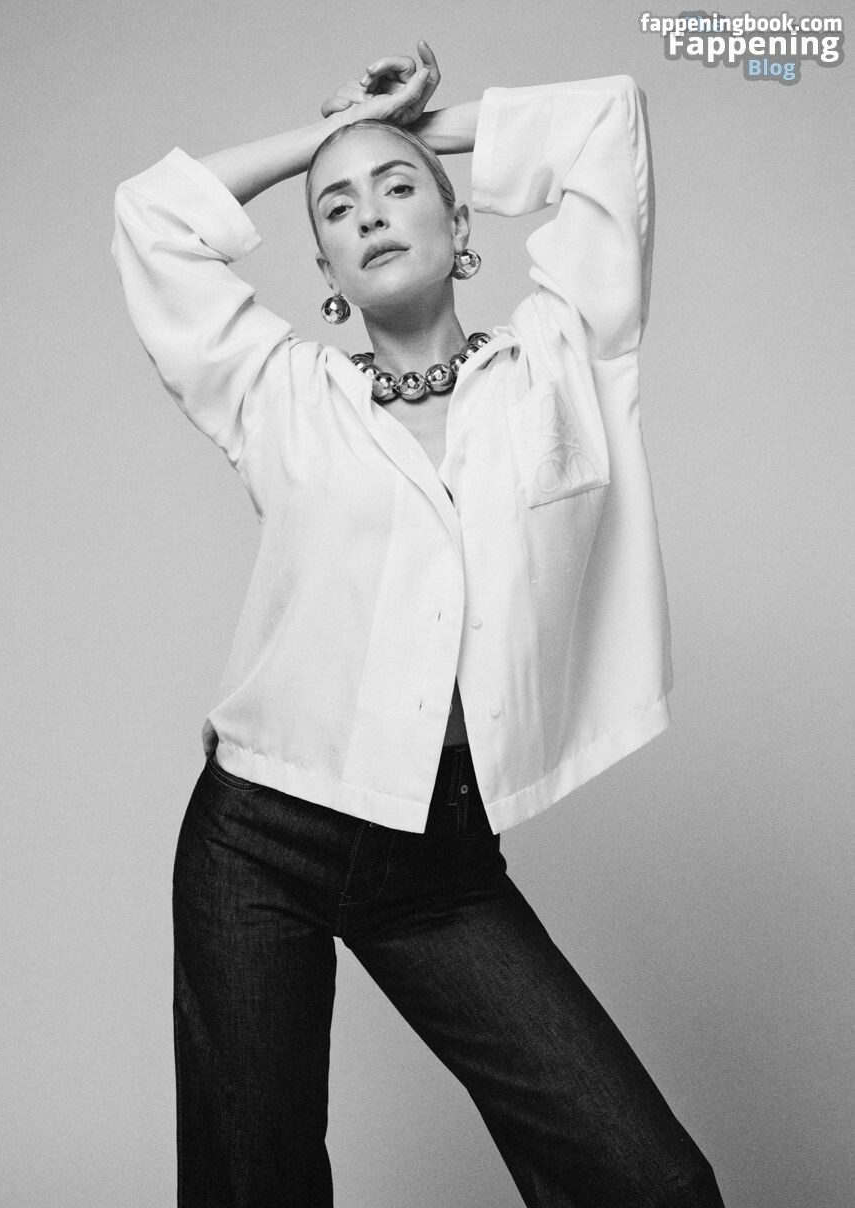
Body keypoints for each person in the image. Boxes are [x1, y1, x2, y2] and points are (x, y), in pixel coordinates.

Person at [112, 40, 725, 1208]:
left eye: (396, 189)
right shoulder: (281, 394)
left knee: (649, 1183)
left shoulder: (561, 358)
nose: (368, 212)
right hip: (260, 834)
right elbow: (151, 217)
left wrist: (406, 128)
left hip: (436, 853)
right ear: (326, 269)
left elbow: (607, 123)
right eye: (336, 207)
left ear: (459, 222)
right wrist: (328, 138)